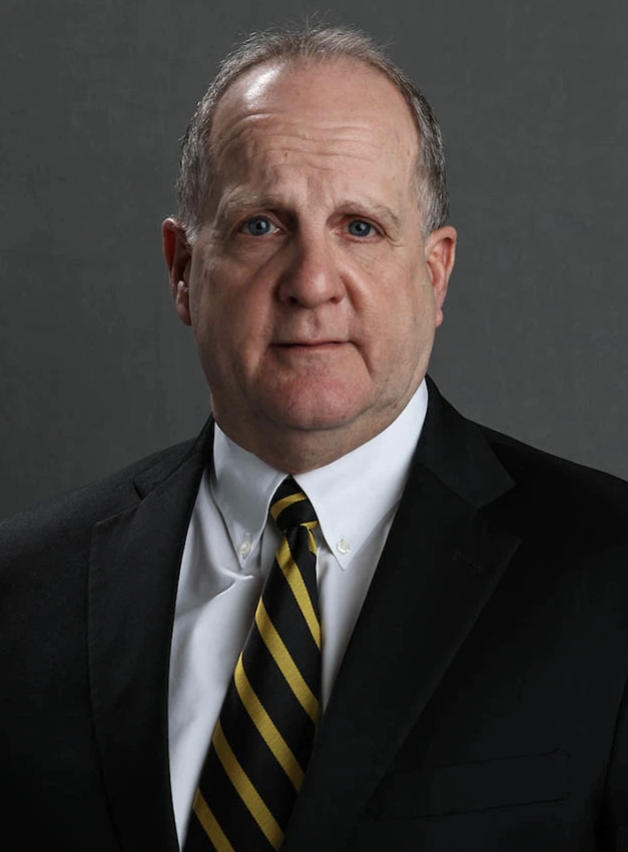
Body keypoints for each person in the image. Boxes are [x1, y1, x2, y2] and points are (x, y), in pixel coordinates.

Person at [1, 23, 628, 852]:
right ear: (182, 269)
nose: (312, 282)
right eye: (261, 225)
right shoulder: (22, 592)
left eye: (360, 227)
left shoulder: (610, 574)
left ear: (434, 273)